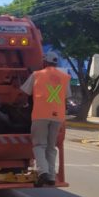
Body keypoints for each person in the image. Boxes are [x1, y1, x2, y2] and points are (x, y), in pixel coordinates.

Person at [19, 51, 72, 186]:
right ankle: (51, 176)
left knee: (39, 145)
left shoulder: (37, 75)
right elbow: (66, 96)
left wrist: (22, 104)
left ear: (45, 62)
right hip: (57, 116)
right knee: (51, 146)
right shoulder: (65, 77)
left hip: (40, 115)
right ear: (56, 62)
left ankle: (43, 172)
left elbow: (25, 92)